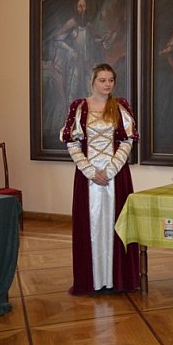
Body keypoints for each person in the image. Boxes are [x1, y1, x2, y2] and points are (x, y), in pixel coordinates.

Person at [60, 63, 140, 295]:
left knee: (117, 225)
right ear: (92, 81)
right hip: (88, 178)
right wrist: (91, 172)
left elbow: (127, 141)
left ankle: (118, 280)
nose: (107, 84)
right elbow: (72, 143)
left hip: (117, 177)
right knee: (90, 226)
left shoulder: (120, 106)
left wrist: (111, 170)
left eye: (110, 80)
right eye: (102, 80)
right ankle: (92, 280)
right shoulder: (79, 107)